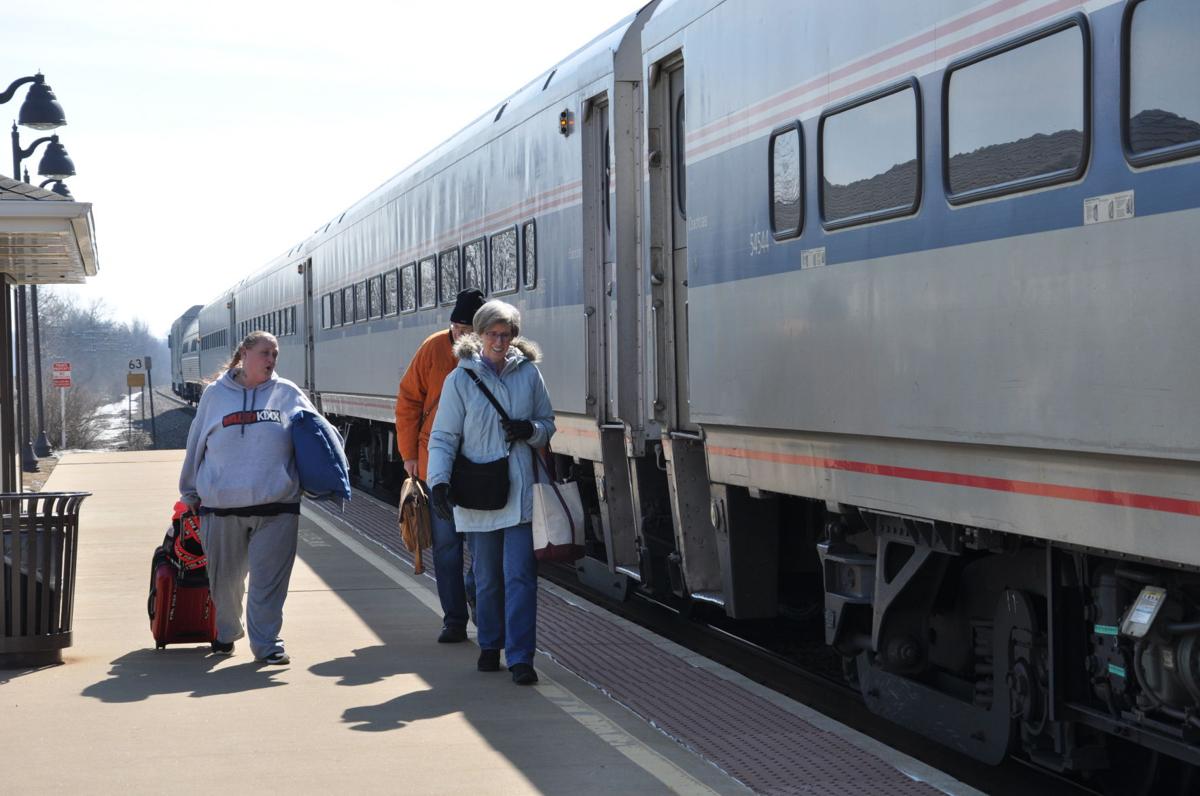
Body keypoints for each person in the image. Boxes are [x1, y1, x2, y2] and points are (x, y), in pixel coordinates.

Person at [427, 299, 555, 685]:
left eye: (507, 334)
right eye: (493, 334)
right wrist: (439, 482)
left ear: (514, 337)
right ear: (479, 335)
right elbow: (444, 436)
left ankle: (520, 658)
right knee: (486, 577)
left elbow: (548, 423)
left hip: (518, 493)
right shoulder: (460, 379)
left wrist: (530, 430)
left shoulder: (529, 374)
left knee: (520, 576)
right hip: (478, 490)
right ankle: (489, 644)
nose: (500, 341)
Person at [179, 330, 316, 665]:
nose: (271, 360)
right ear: (244, 354)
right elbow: (196, 442)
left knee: (268, 585)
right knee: (225, 584)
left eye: (275, 354)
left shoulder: (287, 393)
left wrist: (327, 474)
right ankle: (227, 633)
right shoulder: (215, 395)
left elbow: (317, 435)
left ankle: (267, 644)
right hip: (221, 508)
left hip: (277, 506)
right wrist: (189, 491)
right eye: (265, 353)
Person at [395, 288, 485, 643]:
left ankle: (474, 592)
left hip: (480, 467)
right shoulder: (433, 348)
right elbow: (408, 401)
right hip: (436, 466)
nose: (465, 336)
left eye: (471, 329)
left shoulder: (492, 352)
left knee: (481, 548)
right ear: (452, 324)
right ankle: (454, 619)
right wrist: (409, 456)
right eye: (461, 328)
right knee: (447, 547)